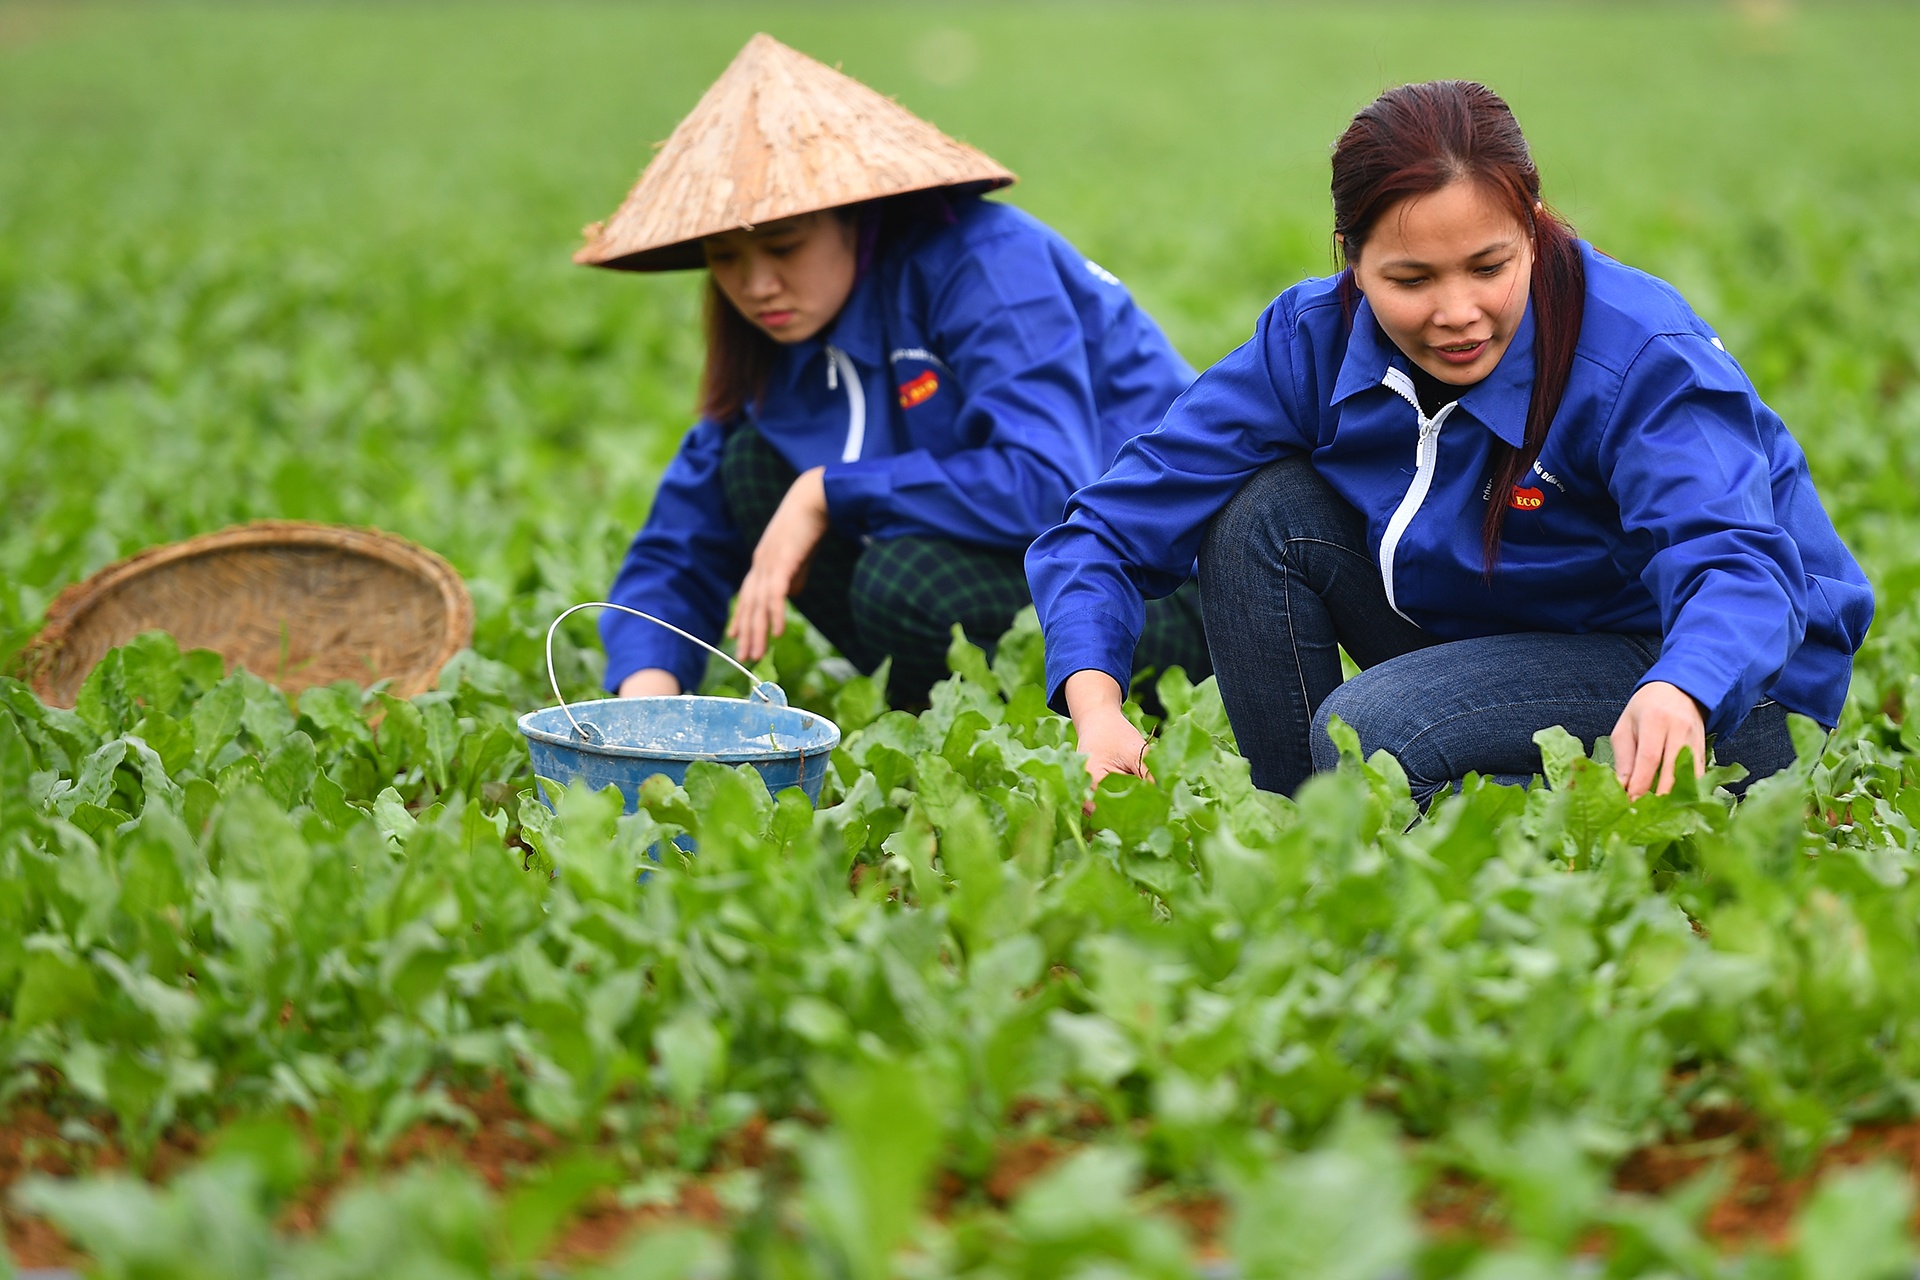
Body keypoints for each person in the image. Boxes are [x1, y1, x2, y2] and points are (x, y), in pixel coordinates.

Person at [1028, 79, 1872, 804]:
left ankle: (1462, 827)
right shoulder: (1309, 340)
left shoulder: (1636, 355)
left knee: (1374, 732)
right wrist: (1097, 711)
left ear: (1534, 229)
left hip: (1715, 681)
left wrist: (1683, 688)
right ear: (1351, 261)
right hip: (1495, 631)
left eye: (1489, 266)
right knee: (1262, 515)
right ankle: (1302, 830)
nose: (1458, 312)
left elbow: (1741, 565)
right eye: (1411, 279)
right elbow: (1106, 527)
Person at [578, 34, 1209, 708]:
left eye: (784, 247)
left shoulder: (987, 262)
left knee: (904, 581)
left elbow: (1048, 483)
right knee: (749, 465)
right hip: (1017, 575)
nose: (757, 285)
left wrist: (829, 490)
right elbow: (680, 541)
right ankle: (936, 717)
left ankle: (1053, 720)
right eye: (726, 259)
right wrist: (645, 698)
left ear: (854, 217)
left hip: (1152, 587)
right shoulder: (778, 329)